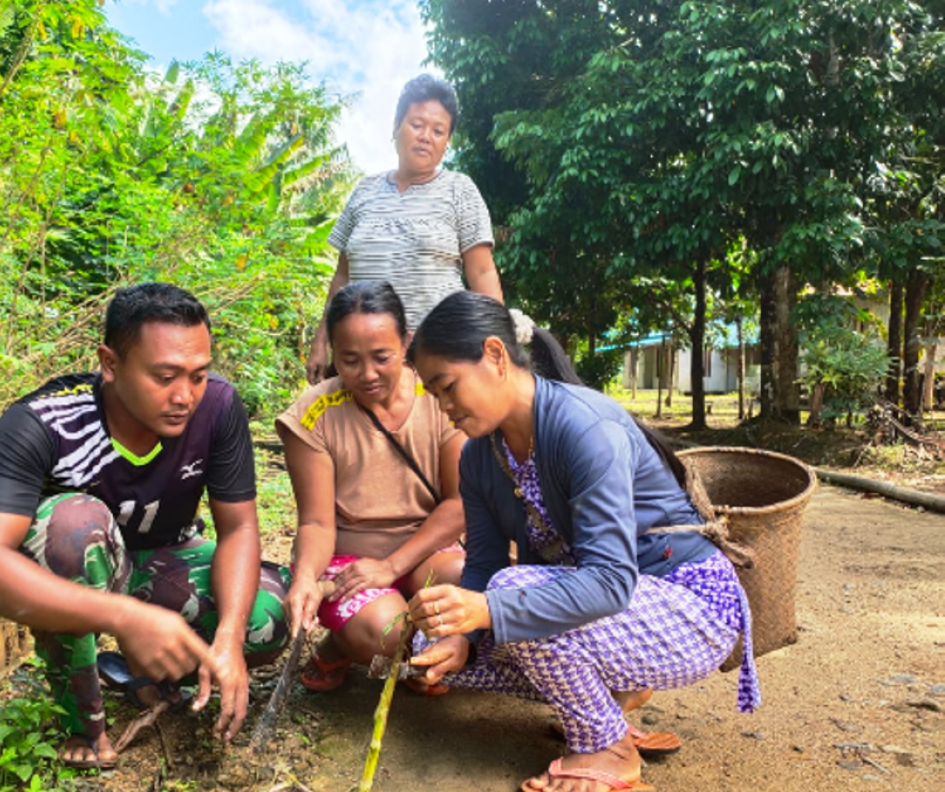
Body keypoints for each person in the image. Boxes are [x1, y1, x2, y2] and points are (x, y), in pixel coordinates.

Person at [404, 291, 759, 792]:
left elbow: (612, 583)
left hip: (689, 607)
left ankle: (605, 745)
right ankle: (615, 688)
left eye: (447, 387)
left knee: (510, 593)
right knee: (431, 646)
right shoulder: (479, 457)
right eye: (433, 395)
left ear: (495, 355)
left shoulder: (584, 428)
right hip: (612, 611)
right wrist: (461, 636)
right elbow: (481, 560)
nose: (444, 409)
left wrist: (486, 609)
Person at [0, 282, 289, 770]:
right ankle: (82, 722)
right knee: (70, 525)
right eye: (165, 376)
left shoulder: (217, 407)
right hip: (75, 572)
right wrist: (125, 618)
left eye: (197, 376)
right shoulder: (42, 423)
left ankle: (148, 672)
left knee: (268, 612)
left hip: (161, 560)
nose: (184, 396)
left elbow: (238, 530)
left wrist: (231, 638)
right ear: (110, 364)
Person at [279, 281, 465, 692]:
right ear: (332, 354)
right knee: (393, 634)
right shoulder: (312, 416)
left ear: (406, 343)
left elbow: (458, 503)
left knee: (467, 583)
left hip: (425, 551)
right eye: (349, 360)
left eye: (382, 357)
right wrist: (307, 579)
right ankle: (348, 642)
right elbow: (316, 522)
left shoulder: (439, 397)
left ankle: (408, 656)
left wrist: (393, 567)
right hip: (348, 564)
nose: (367, 375)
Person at [305, 74, 503, 384]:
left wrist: (497, 349)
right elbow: (341, 278)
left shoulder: (459, 190)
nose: (426, 136)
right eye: (417, 124)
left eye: (439, 131)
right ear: (396, 126)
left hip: (439, 363)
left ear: (447, 141)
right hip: (363, 366)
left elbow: (482, 275)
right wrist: (321, 339)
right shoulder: (364, 190)